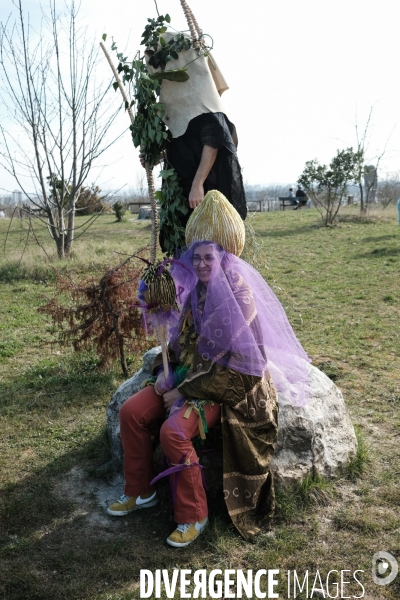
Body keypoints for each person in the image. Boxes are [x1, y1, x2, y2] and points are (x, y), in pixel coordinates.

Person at [107, 237, 311, 546]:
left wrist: (183, 390)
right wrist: (166, 372)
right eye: (197, 257)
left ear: (223, 259)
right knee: (131, 412)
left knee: (173, 432)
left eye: (208, 258)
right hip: (184, 378)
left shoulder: (239, 297)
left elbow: (239, 367)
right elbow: (181, 345)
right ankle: (140, 491)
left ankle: (194, 516)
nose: (201, 264)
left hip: (219, 388)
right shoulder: (196, 293)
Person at [142, 32, 247, 251]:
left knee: (211, 249)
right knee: (185, 247)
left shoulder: (204, 103)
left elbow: (213, 141)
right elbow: (178, 145)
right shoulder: (173, 109)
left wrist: (198, 183)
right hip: (182, 190)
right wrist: (155, 156)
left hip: (209, 189)